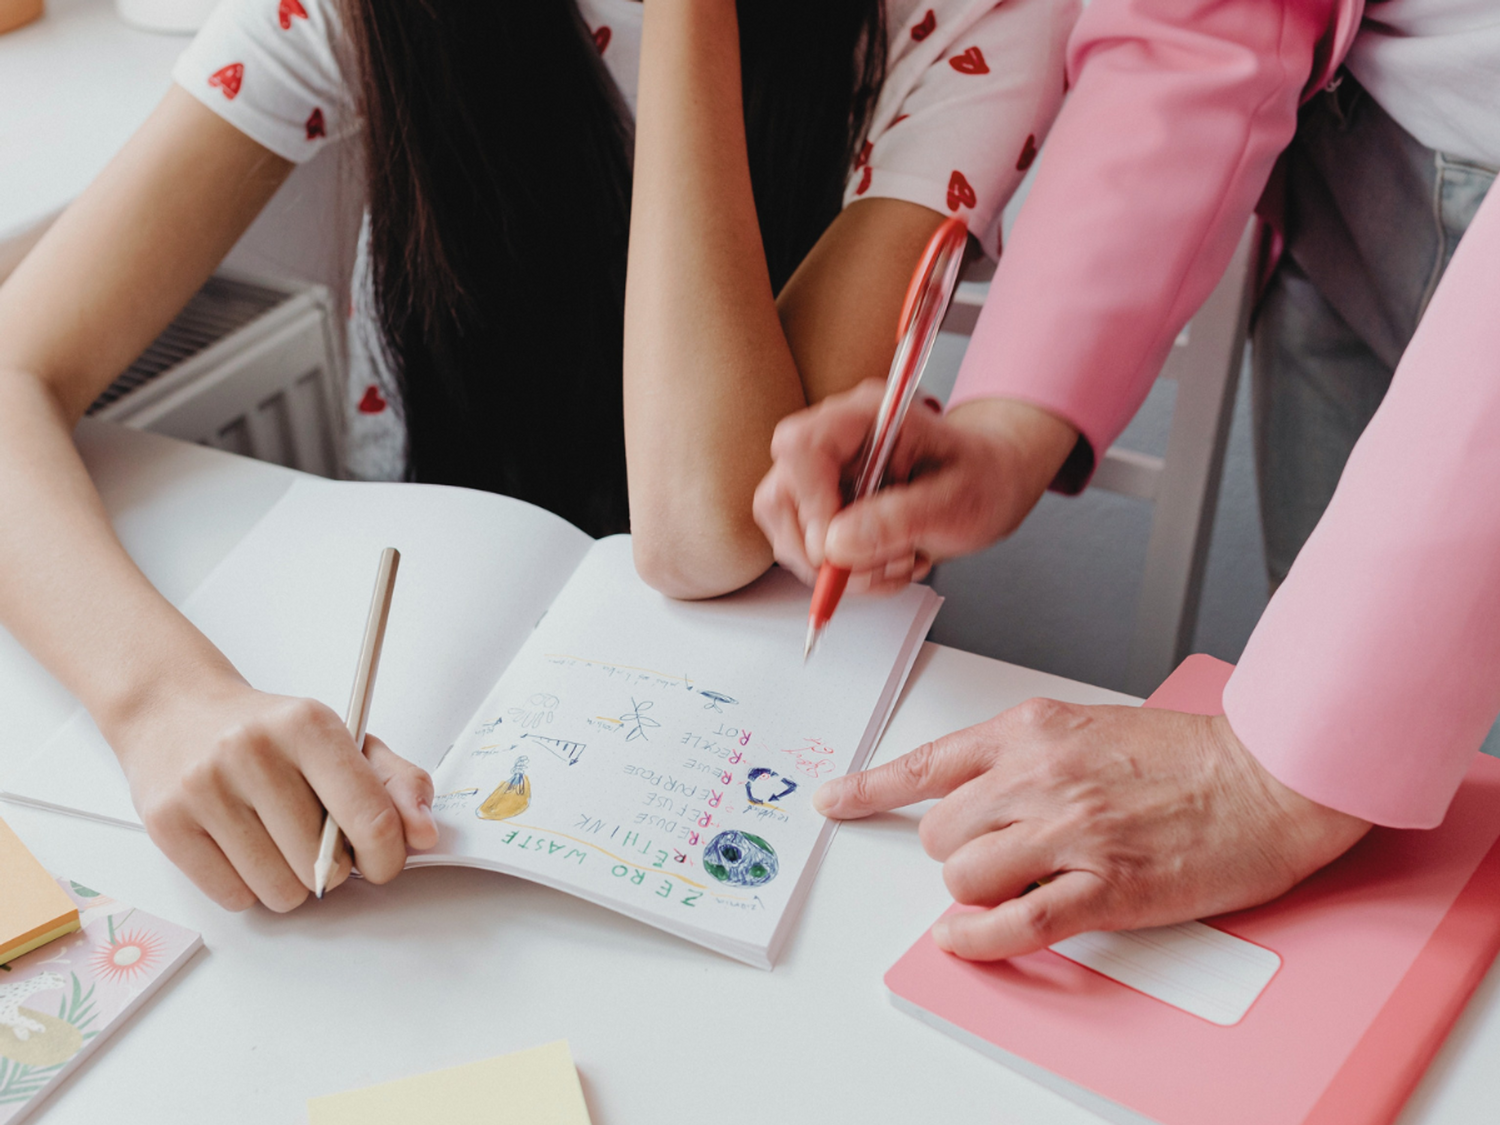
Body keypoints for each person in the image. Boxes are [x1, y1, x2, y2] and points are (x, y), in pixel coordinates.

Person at [0, 0, 1077, 911]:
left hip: (774, 709)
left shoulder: (973, 16)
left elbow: (707, 525)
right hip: (433, 699)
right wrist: (160, 703)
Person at [756, 0, 1500, 960]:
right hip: (1354, 180)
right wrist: (1013, 420)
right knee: (1376, 907)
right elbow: (1203, 21)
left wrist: (1268, 778)